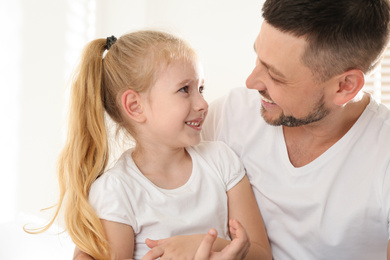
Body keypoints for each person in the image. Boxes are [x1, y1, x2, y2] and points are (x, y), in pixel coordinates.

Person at [27, 30, 271, 260]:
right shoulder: (117, 191)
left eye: (201, 88)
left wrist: (205, 244)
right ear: (135, 106)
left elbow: (262, 254)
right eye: (185, 89)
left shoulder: (221, 160)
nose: (203, 103)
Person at [201, 0, 390, 259]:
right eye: (258, 57)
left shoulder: (384, 157)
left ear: (345, 86)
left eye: (276, 76)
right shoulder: (229, 115)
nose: (251, 81)